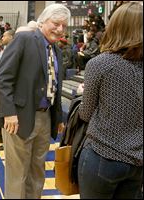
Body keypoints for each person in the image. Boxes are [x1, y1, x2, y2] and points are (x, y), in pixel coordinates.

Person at [0, 4, 70, 199]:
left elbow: (54, 86)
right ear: (43, 21)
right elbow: (3, 78)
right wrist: (9, 113)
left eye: (64, 25)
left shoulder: (57, 51)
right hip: (19, 117)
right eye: (56, 24)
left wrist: (58, 117)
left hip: (45, 118)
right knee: (17, 174)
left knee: (37, 172)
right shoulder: (24, 39)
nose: (60, 29)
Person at [77, 2, 143, 199]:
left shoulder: (100, 64)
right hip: (138, 162)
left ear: (116, 27)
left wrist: (81, 94)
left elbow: (85, 113)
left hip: (103, 156)